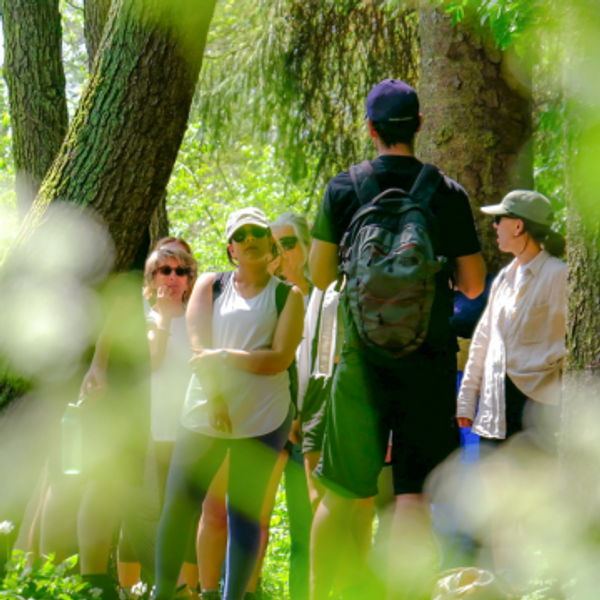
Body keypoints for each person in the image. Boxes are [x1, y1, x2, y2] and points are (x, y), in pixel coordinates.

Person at [308, 78, 486, 600]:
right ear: (420, 126)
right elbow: (474, 283)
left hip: (359, 361)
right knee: (412, 494)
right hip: (427, 361)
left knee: (341, 492)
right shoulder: (445, 192)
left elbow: (319, 276)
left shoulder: (344, 188)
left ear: (371, 128)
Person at [154, 207, 304, 600]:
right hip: (205, 412)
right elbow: (198, 346)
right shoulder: (209, 284)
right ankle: (162, 593)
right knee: (180, 506)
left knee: (245, 515)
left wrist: (224, 357)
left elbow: (279, 359)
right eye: (241, 235)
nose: (250, 239)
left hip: (263, 419)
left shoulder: (289, 296)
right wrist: (217, 395)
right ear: (231, 249)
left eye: (257, 232)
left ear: (271, 243)